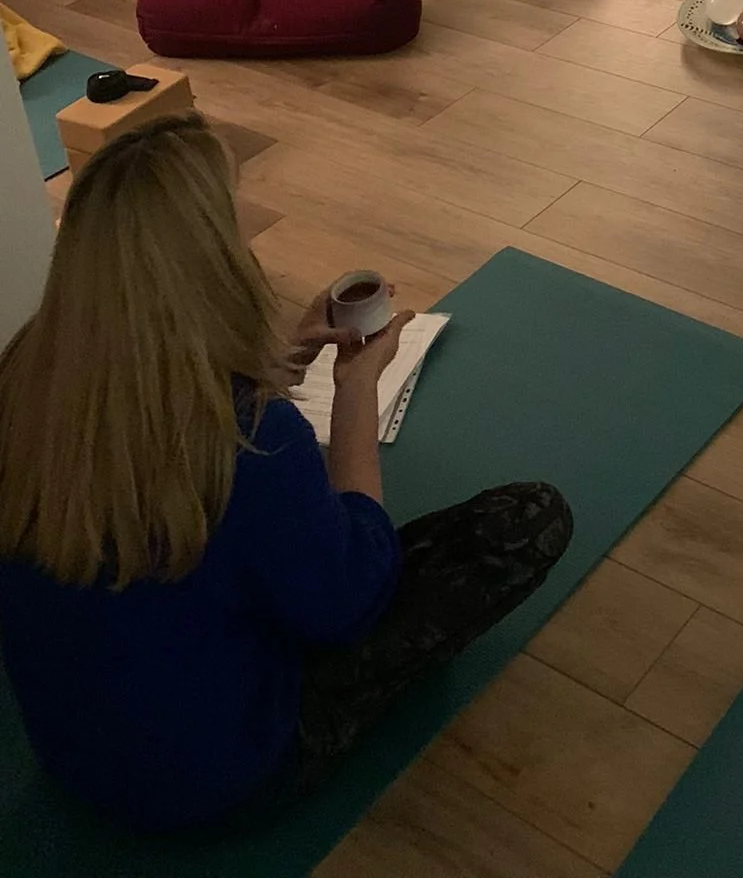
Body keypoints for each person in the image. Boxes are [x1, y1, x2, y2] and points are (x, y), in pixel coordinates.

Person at [0, 116, 573, 837]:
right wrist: (356, 391)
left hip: (77, 759)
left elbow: (146, 404)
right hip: (222, 781)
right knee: (529, 518)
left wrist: (276, 363)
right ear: (213, 261)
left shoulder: (22, 375)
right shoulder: (252, 439)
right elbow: (352, 601)